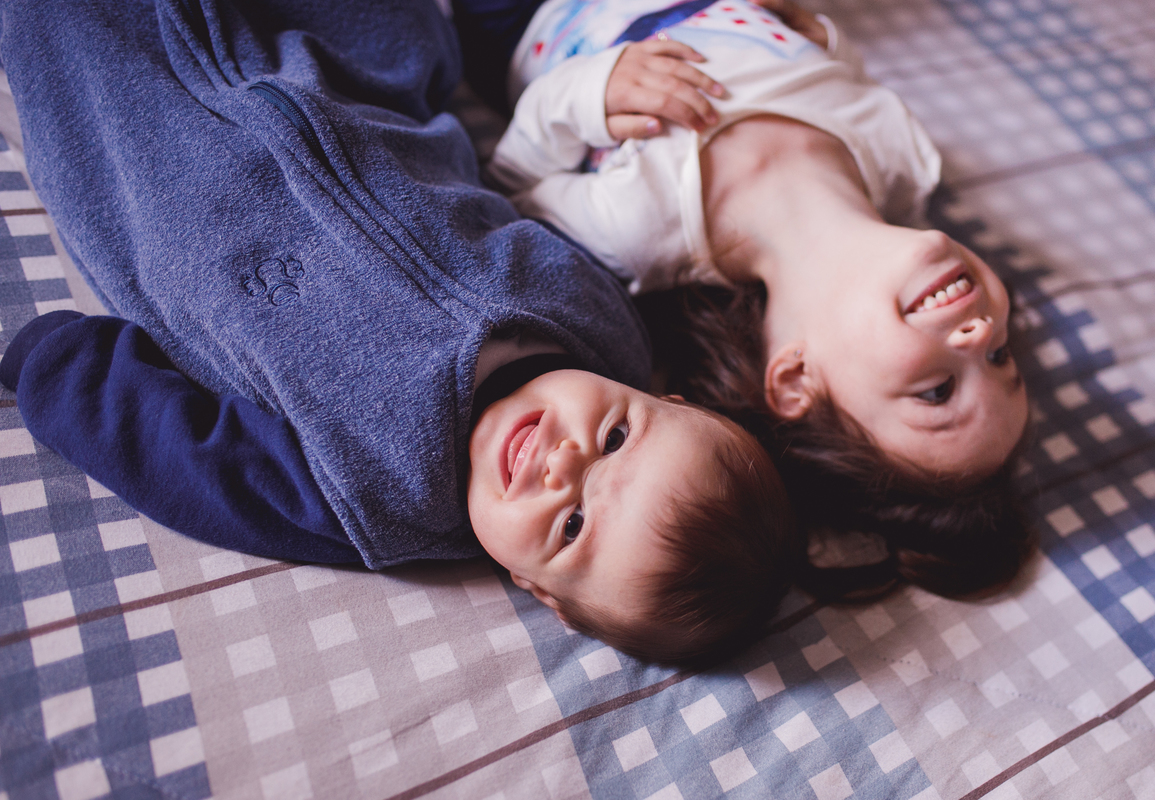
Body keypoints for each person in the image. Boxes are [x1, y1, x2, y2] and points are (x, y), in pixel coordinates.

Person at [0, 0, 794, 663]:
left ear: (538, 591)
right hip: (345, 52)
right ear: (665, 395)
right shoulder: (602, 320)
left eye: (573, 526)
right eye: (619, 438)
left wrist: (58, 369)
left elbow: (193, 460)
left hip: (136, 129)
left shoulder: (378, 500)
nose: (565, 462)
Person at [464, 0, 1035, 598]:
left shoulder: (642, 232)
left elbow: (514, 187)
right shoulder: (903, 159)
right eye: (1002, 359)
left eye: (938, 392)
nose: (980, 335)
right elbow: (842, 69)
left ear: (796, 379)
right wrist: (816, 33)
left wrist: (589, 93)